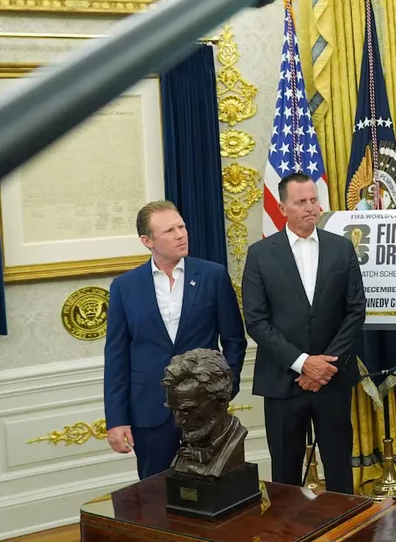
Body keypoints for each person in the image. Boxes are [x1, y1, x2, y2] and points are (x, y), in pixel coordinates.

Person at [103, 200, 246, 480]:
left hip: (206, 409)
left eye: (182, 227)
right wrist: (117, 420)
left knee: (213, 491)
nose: (181, 234)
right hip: (150, 410)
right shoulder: (125, 287)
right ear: (147, 241)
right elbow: (117, 357)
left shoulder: (212, 275)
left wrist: (224, 389)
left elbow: (234, 340)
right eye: (170, 230)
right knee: (156, 494)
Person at [242, 172, 365, 494]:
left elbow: (355, 311)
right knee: (285, 471)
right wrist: (302, 363)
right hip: (283, 382)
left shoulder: (341, 249)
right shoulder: (260, 255)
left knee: (339, 467)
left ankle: (345, 529)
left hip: (333, 379)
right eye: (301, 202)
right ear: (282, 207)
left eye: (314, 200)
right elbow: (256, 320)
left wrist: (324, 366)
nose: (311, 208)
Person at [162, 348, 248, 478]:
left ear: (221, 402)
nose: (178, 422)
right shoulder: (185, 450)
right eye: (175, 410)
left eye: (188, 411)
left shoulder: (234, 441)